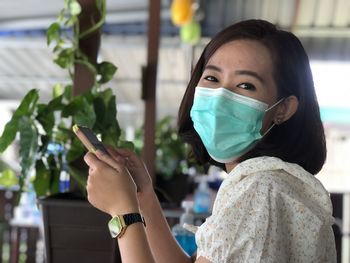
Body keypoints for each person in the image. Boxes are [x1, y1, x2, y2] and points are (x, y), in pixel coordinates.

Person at [83, 19, 336, 262]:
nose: (220, 97)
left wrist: (123, 214)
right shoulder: (267, 184)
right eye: (212, 79)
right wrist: (144, 198)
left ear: (282, 109)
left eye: (246, 85)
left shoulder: (260, 193)